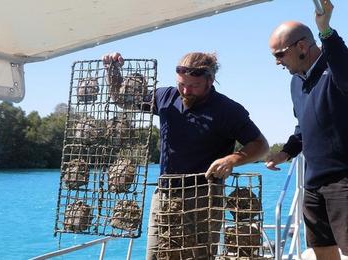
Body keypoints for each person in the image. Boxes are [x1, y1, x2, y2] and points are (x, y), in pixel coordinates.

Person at [103, 51, 268, 259]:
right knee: (156, 256)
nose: (186, 90)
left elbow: (261, 146)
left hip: (203, 199)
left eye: (194, 86)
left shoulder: (227, 110)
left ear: (210, 80)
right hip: (164, 195)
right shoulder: (165, 97)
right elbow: (122, 99)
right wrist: (112, 70)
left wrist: (233, 159)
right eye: (182, 84)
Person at [265, 1, 348, 259]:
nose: (277, 62)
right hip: (313, 185)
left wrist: (326, 32)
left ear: (302, 46)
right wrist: (285, 153)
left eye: (279, 54)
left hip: (343, 182)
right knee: (322, 251)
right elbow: (303, 127)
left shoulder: (335, 68)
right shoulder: (295, 83)